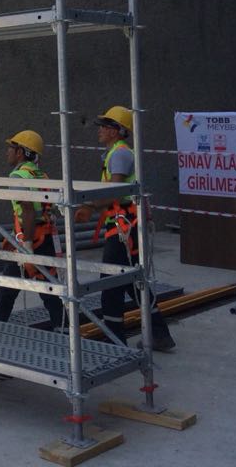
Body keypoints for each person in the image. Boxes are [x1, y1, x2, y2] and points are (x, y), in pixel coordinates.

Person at [75, 105, 176, 351]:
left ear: (116, 130)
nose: (99, 131)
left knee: (110, 285)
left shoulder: (119, 154)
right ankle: (160, 335)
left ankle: (115, 342)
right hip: (124, 227)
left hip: (123, 229)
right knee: (133, 284)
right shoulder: (117, 153)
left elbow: (115, 192)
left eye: (104, 127)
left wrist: (88, 205)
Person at [0, 130, 65, 331]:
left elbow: (28, 210)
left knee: (6, 291)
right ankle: (65, 331)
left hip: (30, 239)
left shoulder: (18, 176)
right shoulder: (41, 175)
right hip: (45, 238)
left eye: (11, 148)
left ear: (20, 152)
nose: (7, 152)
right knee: (50, 290)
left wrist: (27, 245)